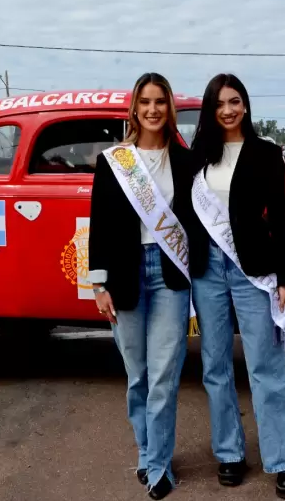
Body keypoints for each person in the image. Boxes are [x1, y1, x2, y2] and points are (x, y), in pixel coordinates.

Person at [189, 73, 285, 500]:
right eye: (220, 103)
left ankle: (284, 461)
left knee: (267, 365)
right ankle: (230, 453)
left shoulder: (267, 154)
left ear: (246, 105)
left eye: (235, 101)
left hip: (252, 269)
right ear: (210, 109)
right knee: (215, 366)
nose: (228, 110)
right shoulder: (197, 155)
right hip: (206, 270)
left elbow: (279, 220)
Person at [88, 72, 201, 499]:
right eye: (146, 102)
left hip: (170, 275)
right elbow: (99, 226)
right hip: (125, 275)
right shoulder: (114, 160)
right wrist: (99, 284)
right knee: (137, 375)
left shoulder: (187, 161)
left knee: (164, 376)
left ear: (169, 108)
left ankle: (158, 466)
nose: (153, 109)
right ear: (134, 108)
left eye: (161, 101)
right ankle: (146, 450)